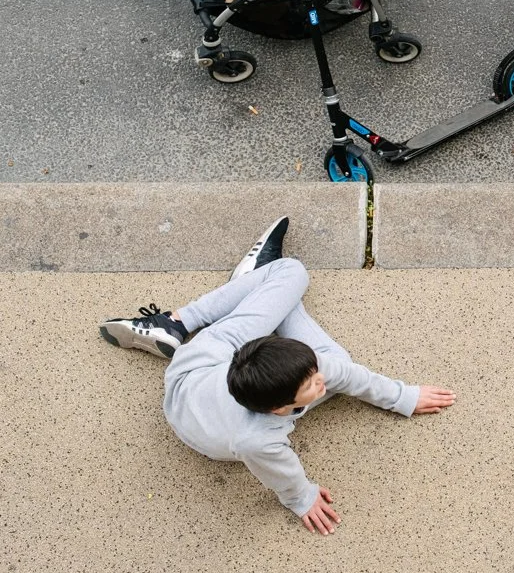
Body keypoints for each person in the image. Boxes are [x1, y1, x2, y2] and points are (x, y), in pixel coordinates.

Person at [98, 217, 456, 534]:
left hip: (199, 365)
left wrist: (402, 398)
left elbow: (337, 374)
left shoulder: (296, 369)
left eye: (314, 372)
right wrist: (302, 498)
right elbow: (283, 474)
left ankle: (181, 321)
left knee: (292, 272)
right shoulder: (258, 439)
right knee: (333, 351)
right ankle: (252, 284)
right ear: (280, 409)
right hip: (208, 424)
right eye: (312, 385)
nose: (321, 380)